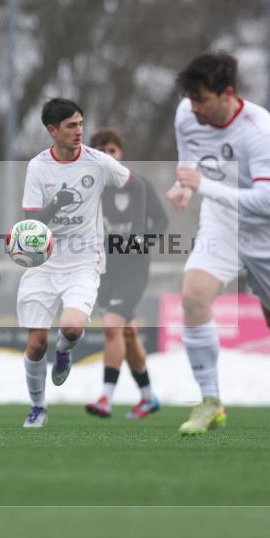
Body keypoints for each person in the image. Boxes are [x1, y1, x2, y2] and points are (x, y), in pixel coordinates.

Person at [168, 52, 270, 438]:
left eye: (201, 99)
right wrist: (185, 186)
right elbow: (189, 162)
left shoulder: (260, 130)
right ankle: (210, 401)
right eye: (191, 98)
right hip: (222, 224)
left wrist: (204, 186)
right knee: (193, 295)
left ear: (228, 93)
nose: (194, 107)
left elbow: (267, 201)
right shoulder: (187, 114)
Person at [17, 99, 132, 428]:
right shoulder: (38, 167)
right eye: (71, 125)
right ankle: (38, 407)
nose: (79, 131)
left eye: (81, 123)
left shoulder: (99, 162)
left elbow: (132, 184)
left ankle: (65, 350)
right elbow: (33, 223)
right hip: (43, 262)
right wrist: (57, 203)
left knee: (71, 328)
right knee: (36, 344)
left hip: (84, 261)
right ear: (52, 130)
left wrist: (134, 224)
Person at [86, 128, 168, 420]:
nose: (108, 156)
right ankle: (148, 397)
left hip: (134, 271)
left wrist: (144, 241)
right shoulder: (91, 191)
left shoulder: (140, 186)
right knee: (128, 334)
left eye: (112, 150)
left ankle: (105, 398)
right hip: (103, 272)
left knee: (112, 327)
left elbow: (161, 221)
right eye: (101, 151)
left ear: (120, 154)